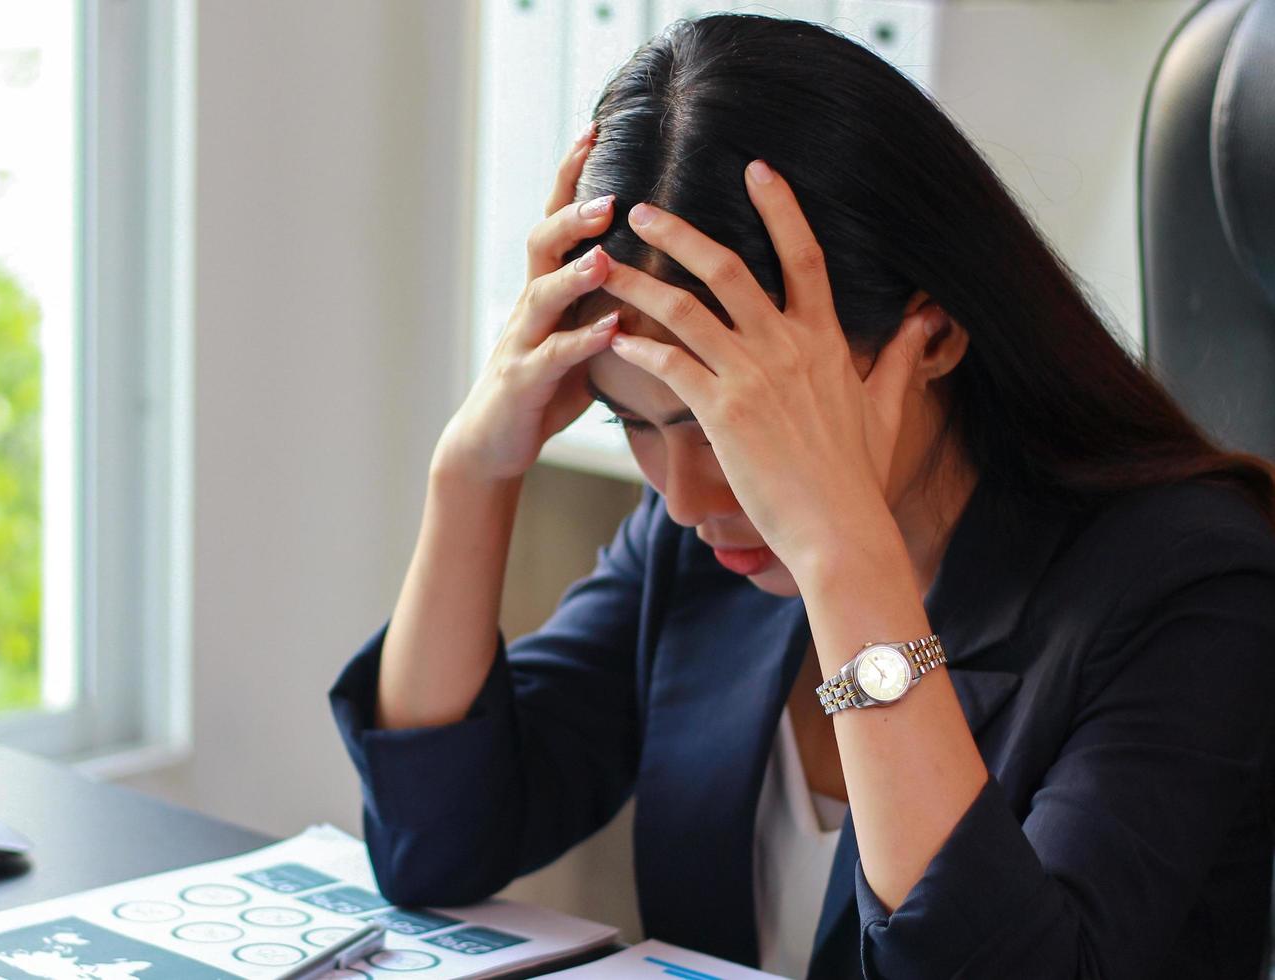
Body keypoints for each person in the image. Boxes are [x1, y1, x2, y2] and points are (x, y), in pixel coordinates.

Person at [328, 14, 1275, 979]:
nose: (688, 497)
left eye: (725, 420)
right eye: (635, 424)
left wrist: (843, 557)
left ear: (933, 336)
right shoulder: (697, 546)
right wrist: (471, 472)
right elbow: (432, 842)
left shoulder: (1192, 585)